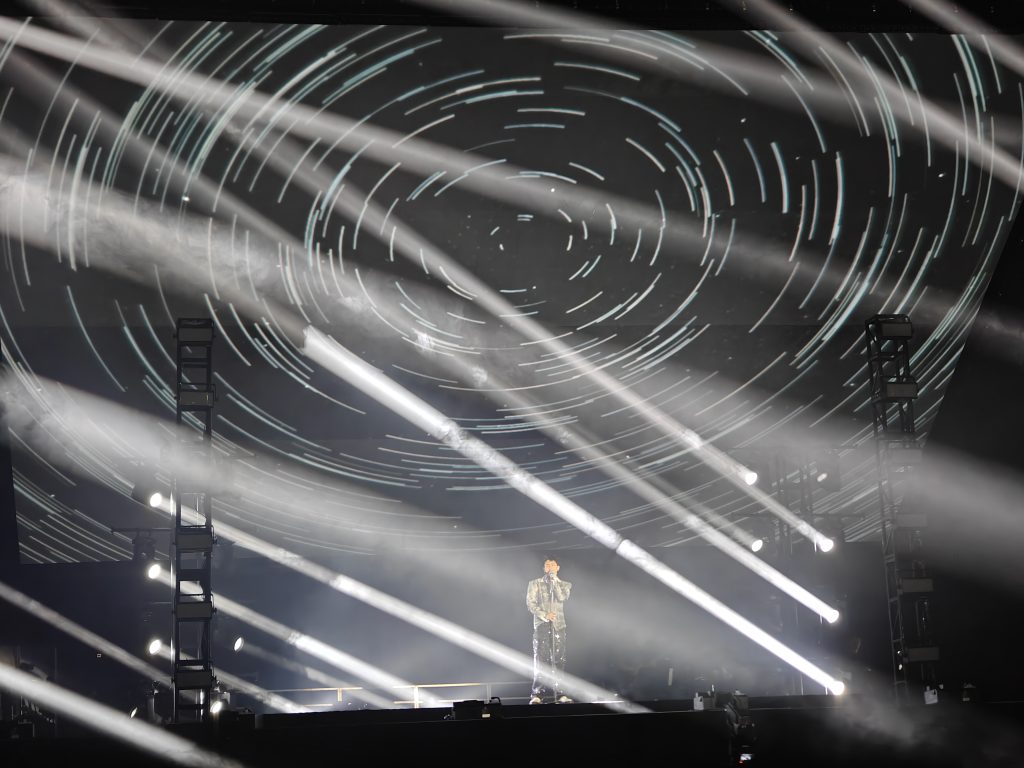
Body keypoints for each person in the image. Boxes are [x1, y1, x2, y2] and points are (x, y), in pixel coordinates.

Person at [526, 557, 572, 704]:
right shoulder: (535, 584)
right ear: (544, 568)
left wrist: (555, 581)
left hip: (559, 626)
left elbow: (562, 597)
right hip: (542, 625)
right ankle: (538, 694)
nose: (550, 567)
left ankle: (560, 694)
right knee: (541, 659)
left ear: (557, 568)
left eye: (553, 565)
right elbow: (530, 604)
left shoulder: (565, 584)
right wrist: (545, 615)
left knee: (559, 659)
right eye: (547, 565)